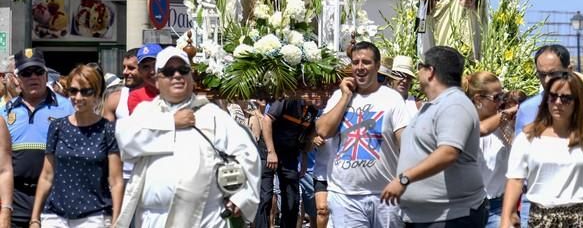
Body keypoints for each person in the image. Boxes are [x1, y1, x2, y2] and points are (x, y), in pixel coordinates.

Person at [114, 47, 261, 227]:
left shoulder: (213, 115)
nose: (177, 76)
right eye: (168, 72)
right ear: (158, 80)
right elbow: (126, 140)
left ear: (191, 78)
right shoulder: (145, 112)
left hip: (206, 219)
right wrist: (171, 123)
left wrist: (241, 197)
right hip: (153, 219)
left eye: (183, 71)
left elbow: (248, 155)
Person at [380, 46, 487, 227]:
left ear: (430, 71)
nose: (417, 72)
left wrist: (404, 179)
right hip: (425, 216)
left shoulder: (455, 104)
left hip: (451, 216)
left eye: (420, 66)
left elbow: (448, 152)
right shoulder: (435, 105)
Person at [501, 72, 583, 228]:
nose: (557, 102)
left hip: (582, 218)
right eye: (552, 96)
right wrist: (505, 220)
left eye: (565, 98)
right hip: (541, 218)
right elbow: (515, 179)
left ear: (578, 102)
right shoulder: (528, 137)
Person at [316, 41, 409, 227]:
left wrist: (404, 180)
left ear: (377, 65)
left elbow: (406, 144)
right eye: (355, 62)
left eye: (366, 62)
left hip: (385, 196)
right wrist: (345, 97)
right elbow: (323, 130)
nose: (360, 67)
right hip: (345, 196)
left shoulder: (392, 99)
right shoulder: (339, 96)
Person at [31, 64, 124, 227]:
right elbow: (47, 175)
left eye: (86, 91)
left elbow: (115, 180)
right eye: (73, 91)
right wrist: (35, 219)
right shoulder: (57, 127)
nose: (78, 97)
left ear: (97, 94)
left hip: (94, 216)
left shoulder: (107, 129)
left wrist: (117, 221)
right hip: (54, 216)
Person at [2, 48, 74, 227]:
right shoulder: (5, 111)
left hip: (55, 196)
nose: (33, 77)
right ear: (17, 78)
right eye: (26, 73)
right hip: (15, 197)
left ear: (46, 74)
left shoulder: (67, 108)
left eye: (38, 71)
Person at [254, 90, 318, 228]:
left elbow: (304, 137)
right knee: (265, 196)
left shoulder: (312, 111)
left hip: (289, 154)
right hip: (268, 150)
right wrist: (271, 151)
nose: (321, 98)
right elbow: (267, 120)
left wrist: (304, 158)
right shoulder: (290, 99)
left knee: (292, 198)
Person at [463, 71, 517, 228]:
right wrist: (505, 115)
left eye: (503, 96)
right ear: (478, 99)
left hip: (499, 208)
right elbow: (480, 130)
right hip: (470, 210)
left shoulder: (504, 126)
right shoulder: (466, 122)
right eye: (497, 98)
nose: (501, 102)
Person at [103, 48, 140, 122]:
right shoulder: (115, 99)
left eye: (131, 68)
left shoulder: (157, 98)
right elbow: (106, 131)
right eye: (124, 67)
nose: (125, 72)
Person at [126, 44, 162, 114]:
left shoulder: (177, 89)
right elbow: (143, 123)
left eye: (155, 64)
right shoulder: (136, 96)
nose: (152, 71)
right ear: (139, 70)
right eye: (146, 67)